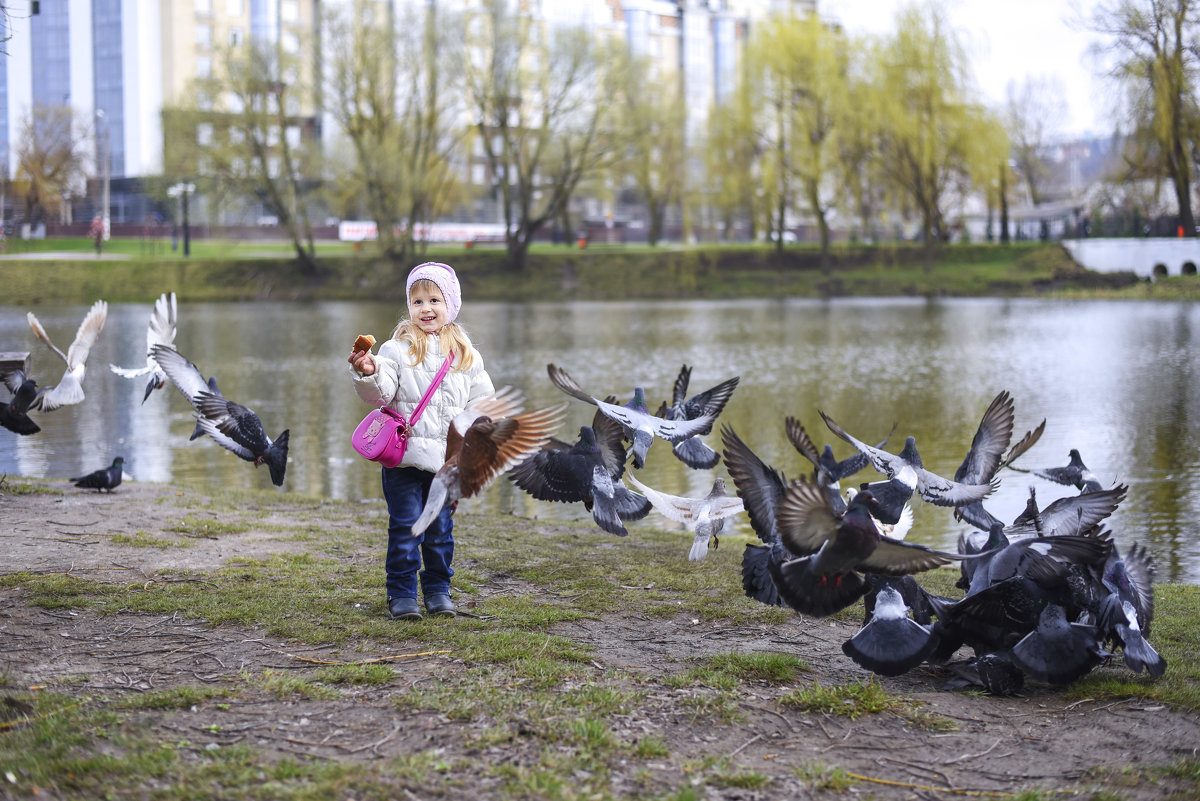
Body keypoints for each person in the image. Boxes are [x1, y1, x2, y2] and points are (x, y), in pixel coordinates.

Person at [347, 262, 494, 620]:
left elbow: (482, 402)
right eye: (417, 301)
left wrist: (482, 430)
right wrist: (367, 372)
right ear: (409, 306)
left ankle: (438, 590)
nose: (425, 309)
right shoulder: (397, 350)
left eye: (434, 300)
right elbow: (381, 392)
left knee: (440, 531)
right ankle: (401, 593)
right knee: (406, 526)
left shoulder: (465, 356)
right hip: (404, 460)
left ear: (450, 304)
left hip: (445, 465)